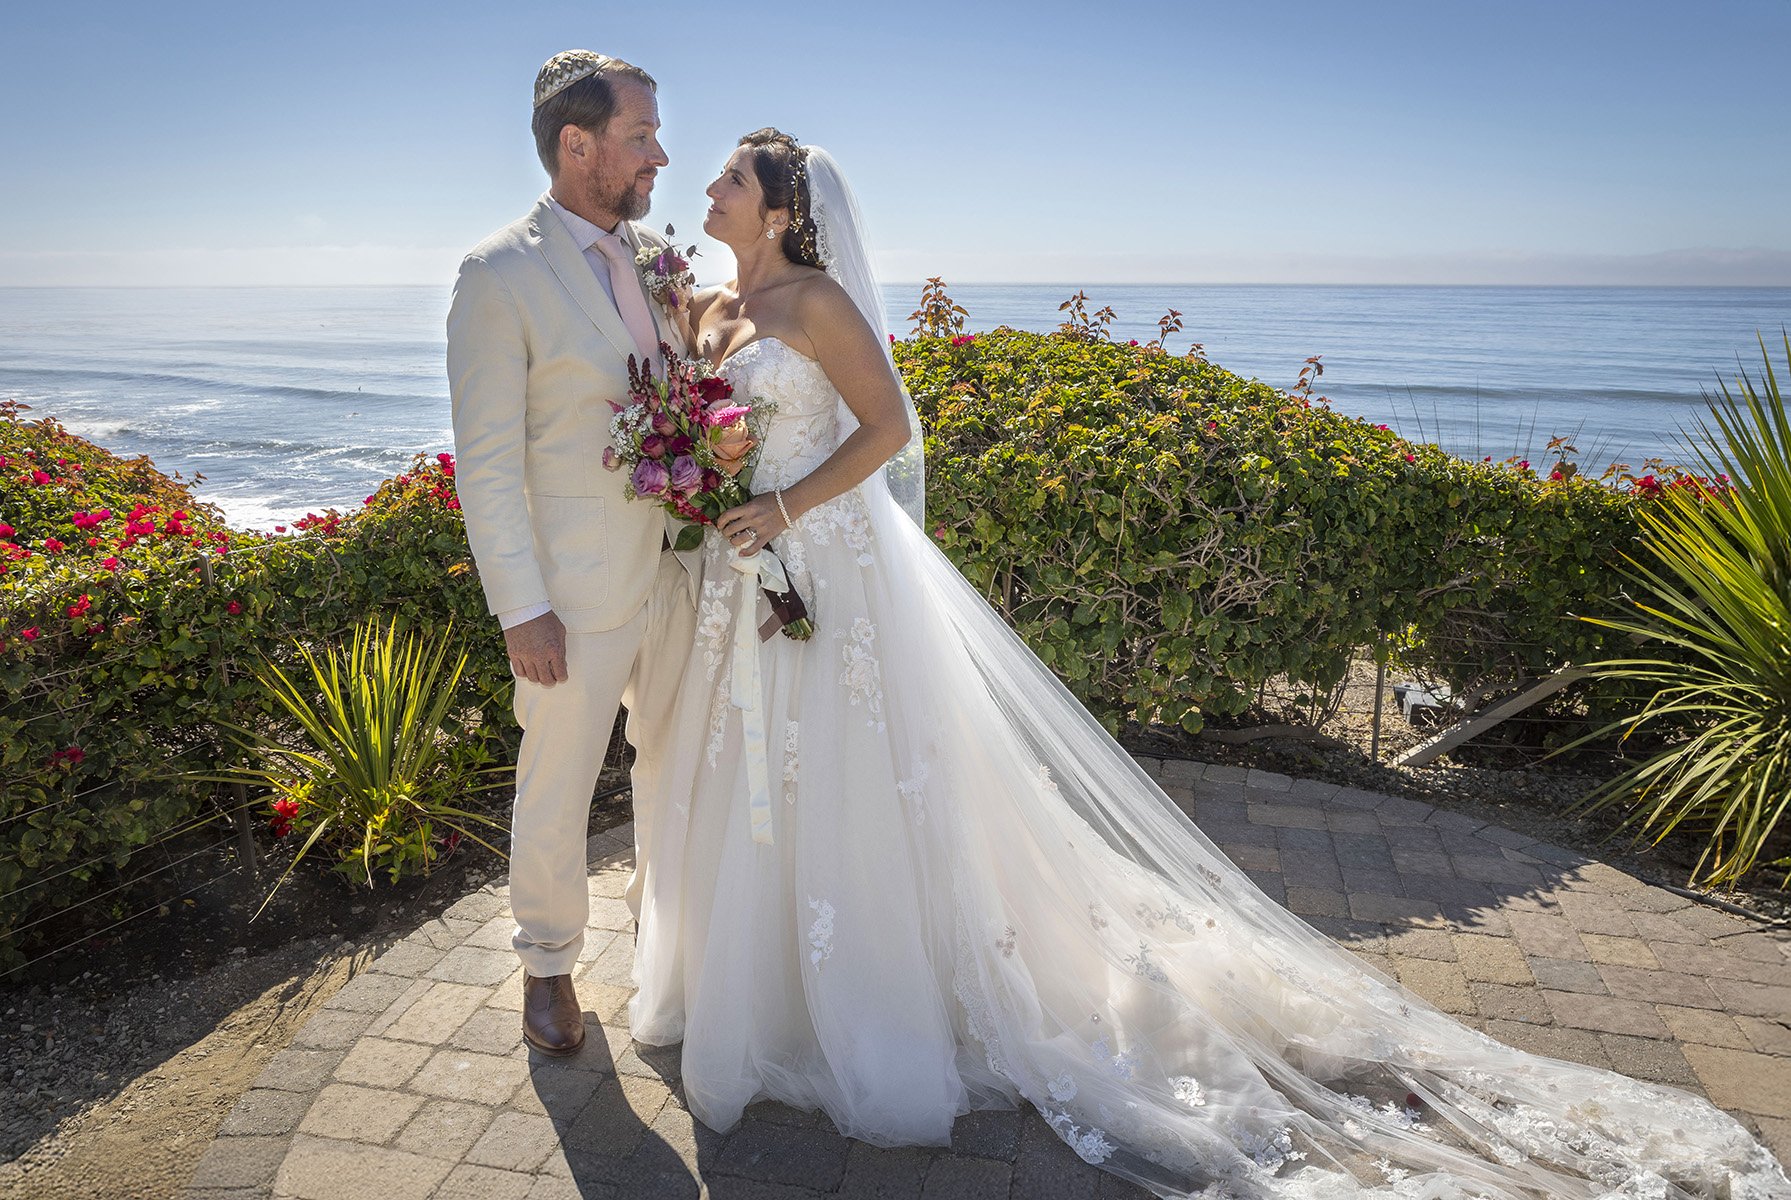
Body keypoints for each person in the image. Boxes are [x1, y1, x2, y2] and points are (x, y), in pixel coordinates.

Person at [626, 130, 1789, 1197]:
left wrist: (780, 506)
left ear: (781, 209)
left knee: (847, 775)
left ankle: (875, 996)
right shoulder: (721, 301)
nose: (712, 189)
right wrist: (691, 401)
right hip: (748, 584)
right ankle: (759, 983)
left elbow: (888, 433)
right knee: (756, 773)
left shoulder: (820, 302)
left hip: (826, 565)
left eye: (732, 179)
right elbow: (697, 406)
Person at [446, 50, 697, 1058]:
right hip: (572, 599)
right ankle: (546, 967)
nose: (661, 155)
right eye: (642, 136)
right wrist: (521, 609)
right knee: (554, 789)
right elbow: (488, 465)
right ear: (577, 144)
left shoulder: (657, 263)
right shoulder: (497, 276)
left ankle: (667, 947)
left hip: (680, 576)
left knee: (679, 773)